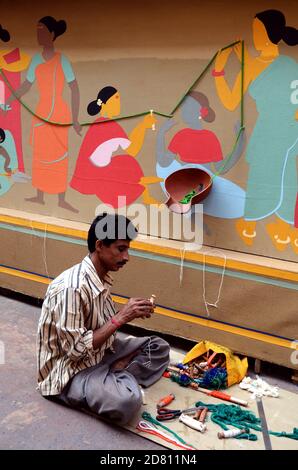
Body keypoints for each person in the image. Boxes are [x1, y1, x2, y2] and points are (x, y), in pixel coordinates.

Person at [37, 213, 170, 425]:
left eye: (127, 249)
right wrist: (122, 316)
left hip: (99, 353)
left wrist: (131, 313)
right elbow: (76, 351)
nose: (127, 257)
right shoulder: (71, 288)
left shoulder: (101, 276)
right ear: (100, 245)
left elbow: (101, 324)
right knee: (127, 402)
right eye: (121, 249)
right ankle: (114, 378)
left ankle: (114, 374)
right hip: (70, 370)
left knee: (159, 347)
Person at [213, 9, 298, 253]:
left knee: (263, 176)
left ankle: (252, 225)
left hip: (271, 130)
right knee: (285, 176)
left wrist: (219, 71)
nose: (254, 36)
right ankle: (285, 229)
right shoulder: (289, 64)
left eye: (258, 31)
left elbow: (230, 101)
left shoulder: (255, 65)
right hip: (291, 131)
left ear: (269, 33)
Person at [6, 16, 81, 212]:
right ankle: (39, 196)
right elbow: (26, 85)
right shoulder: (36, 60)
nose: (38, 35)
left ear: (52, 34)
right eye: (37, 31)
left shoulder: (62, 59)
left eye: (42, 31)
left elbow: (74, 88)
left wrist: (75, 119)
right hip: (41, 112)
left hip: (59, 114)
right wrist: (9, 99)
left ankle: (61, 198)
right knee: (40, 155)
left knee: (59, 156)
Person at [70, 86, 162, 208]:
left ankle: (144, 190)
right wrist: (143, 126)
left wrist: (142, 126)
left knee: (127, 162)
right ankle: (139, 185)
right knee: (126, 166)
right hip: (94, 174)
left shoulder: (102, 122)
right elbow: (133, 149)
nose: (119, 103)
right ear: (105, 103)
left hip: (95, 169)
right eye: (116, 98)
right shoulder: (107, 125)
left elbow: (128, 144)